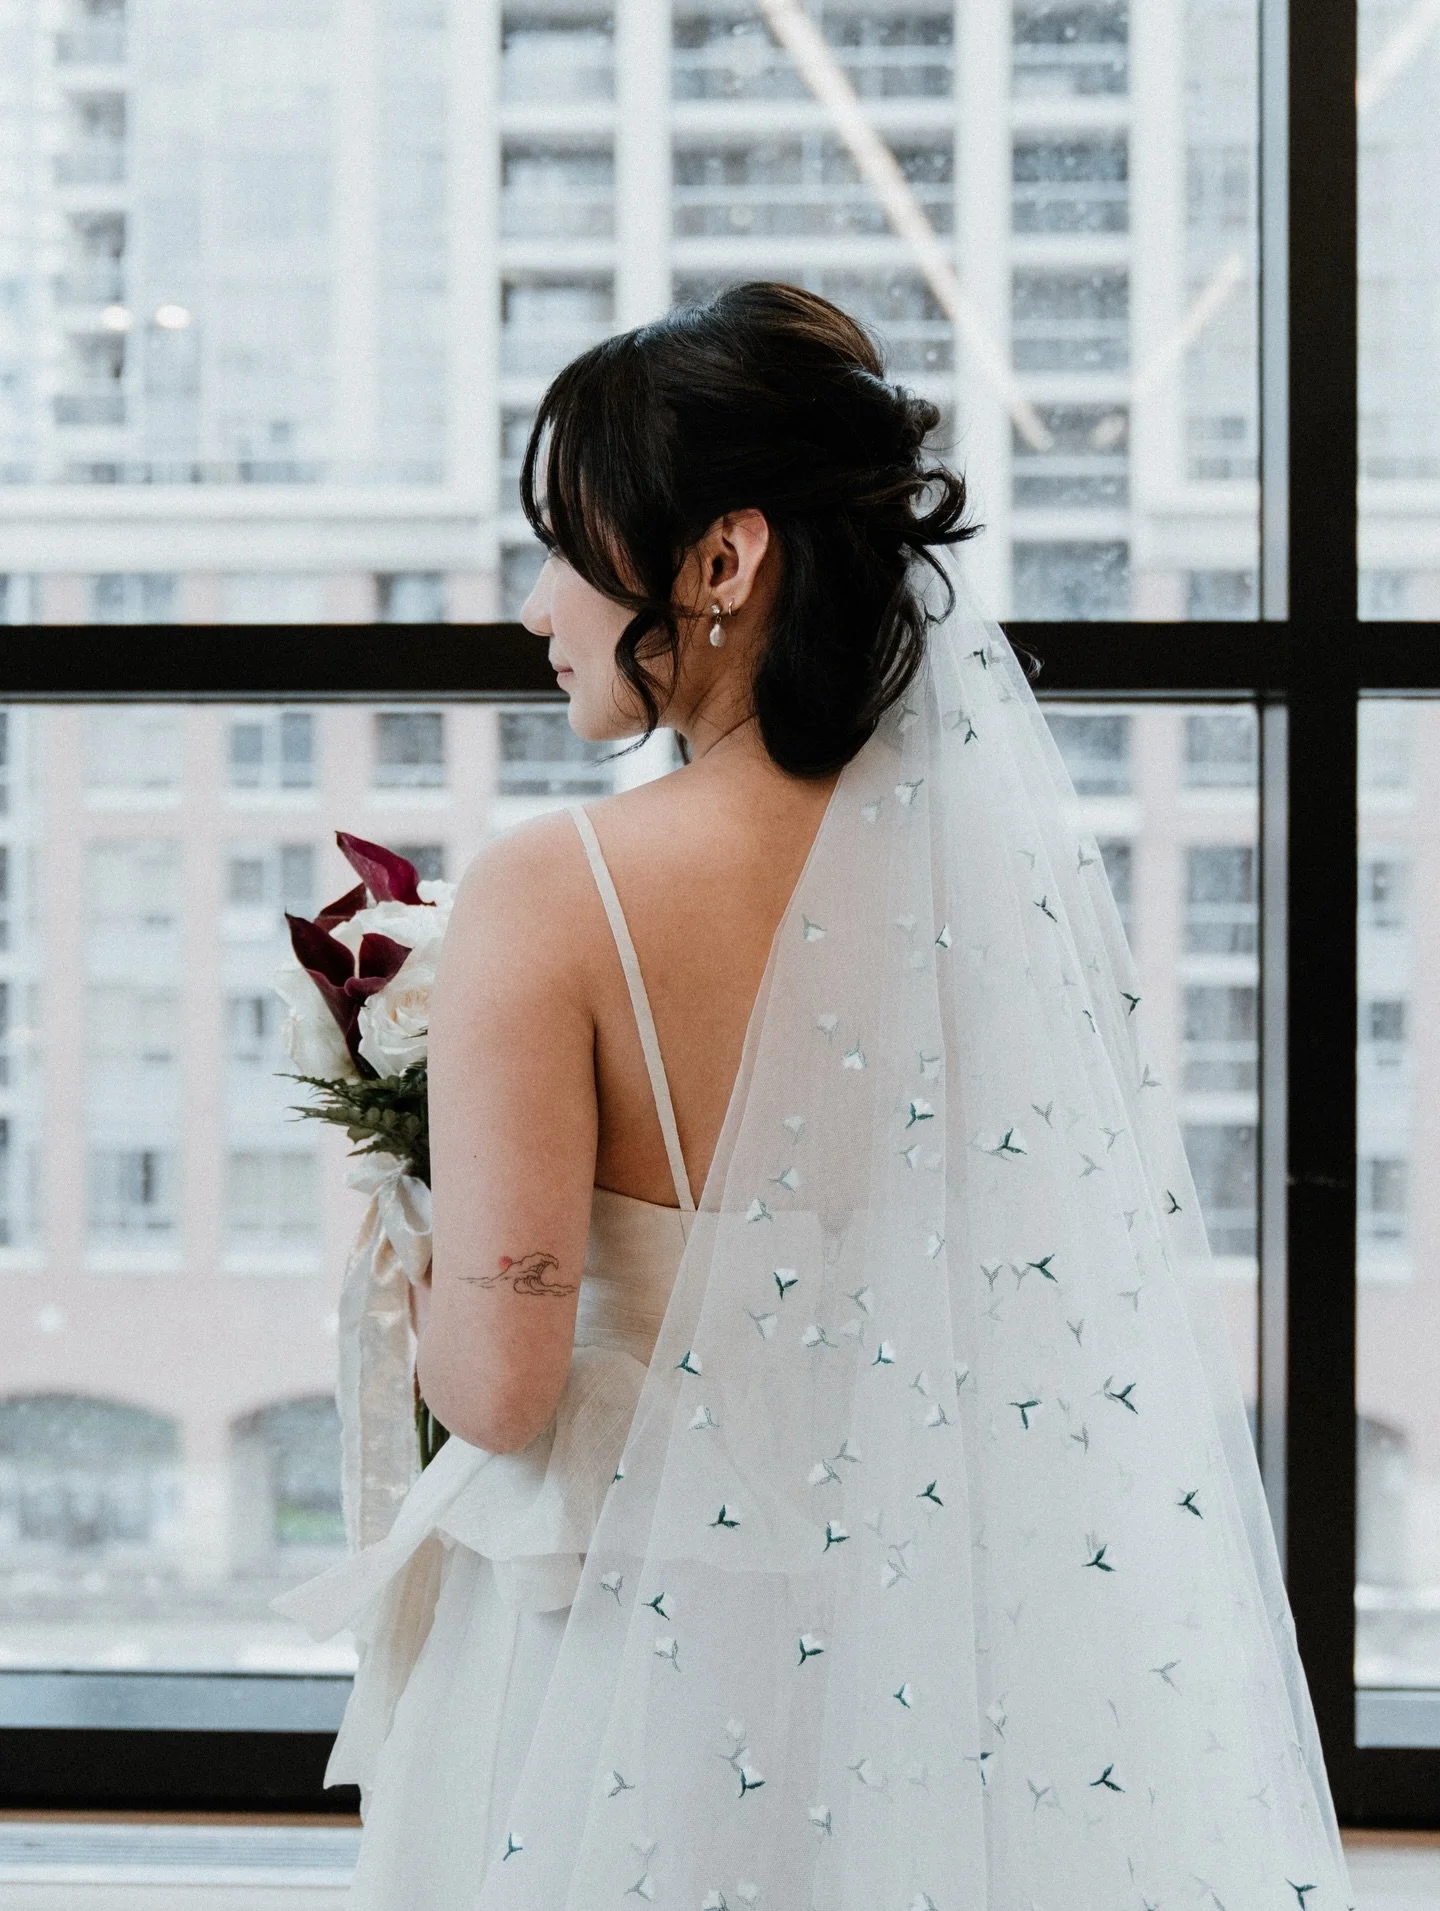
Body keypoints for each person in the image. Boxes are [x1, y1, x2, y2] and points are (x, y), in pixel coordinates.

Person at [279, 282, 1356, 1911]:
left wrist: (408, 1236)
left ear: (720, 562)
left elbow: (500, 1388)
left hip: (613, 1664)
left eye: (567, 548)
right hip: (926, 1647)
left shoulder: (553, 892)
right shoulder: (999, 888)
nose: (533, 603)